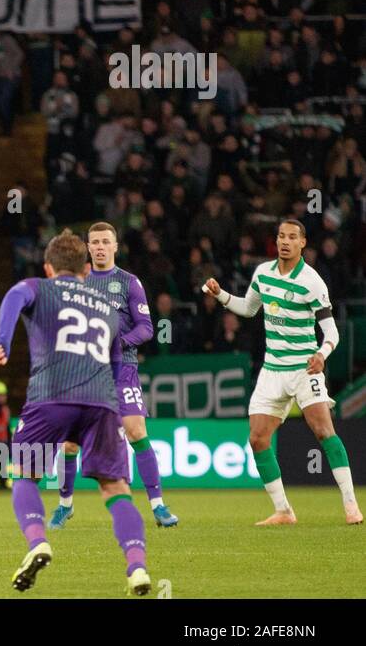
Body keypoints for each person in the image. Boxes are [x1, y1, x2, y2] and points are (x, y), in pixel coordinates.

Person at [0, 229, 152, 596]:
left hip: (51, 396)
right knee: (115, 488)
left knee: (23, 473)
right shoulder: (106, 307)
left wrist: (1, 341)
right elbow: (115, 362)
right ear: (84, 268)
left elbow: (15, 295)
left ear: (49, 267)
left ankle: (38, 542)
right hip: (101, 402)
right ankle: (137, 567)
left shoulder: (39, 287)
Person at [203, 219, 361, 525]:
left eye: (292, 237)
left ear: (303, 243)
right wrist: (221, 294)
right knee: (258, 439)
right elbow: (249, 309)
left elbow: (332, 332)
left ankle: (351, 505)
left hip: (305, 368)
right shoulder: (263, 273)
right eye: (281, 236)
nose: (285, 241)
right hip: (273, 369)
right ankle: (283, 511)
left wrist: (321, 354)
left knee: (323, 431)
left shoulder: (312, 281)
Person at [50, 222, 178, 529]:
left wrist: (120, 342)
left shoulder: (129, 282)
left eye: (106, 242)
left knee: (136, 432)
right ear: (88, 247)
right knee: (69, 443)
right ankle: (64, 505)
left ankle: (159, 507)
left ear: (115, 246)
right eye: (94, 242)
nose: (100, 247)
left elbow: (146, 328)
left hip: (123, 369)